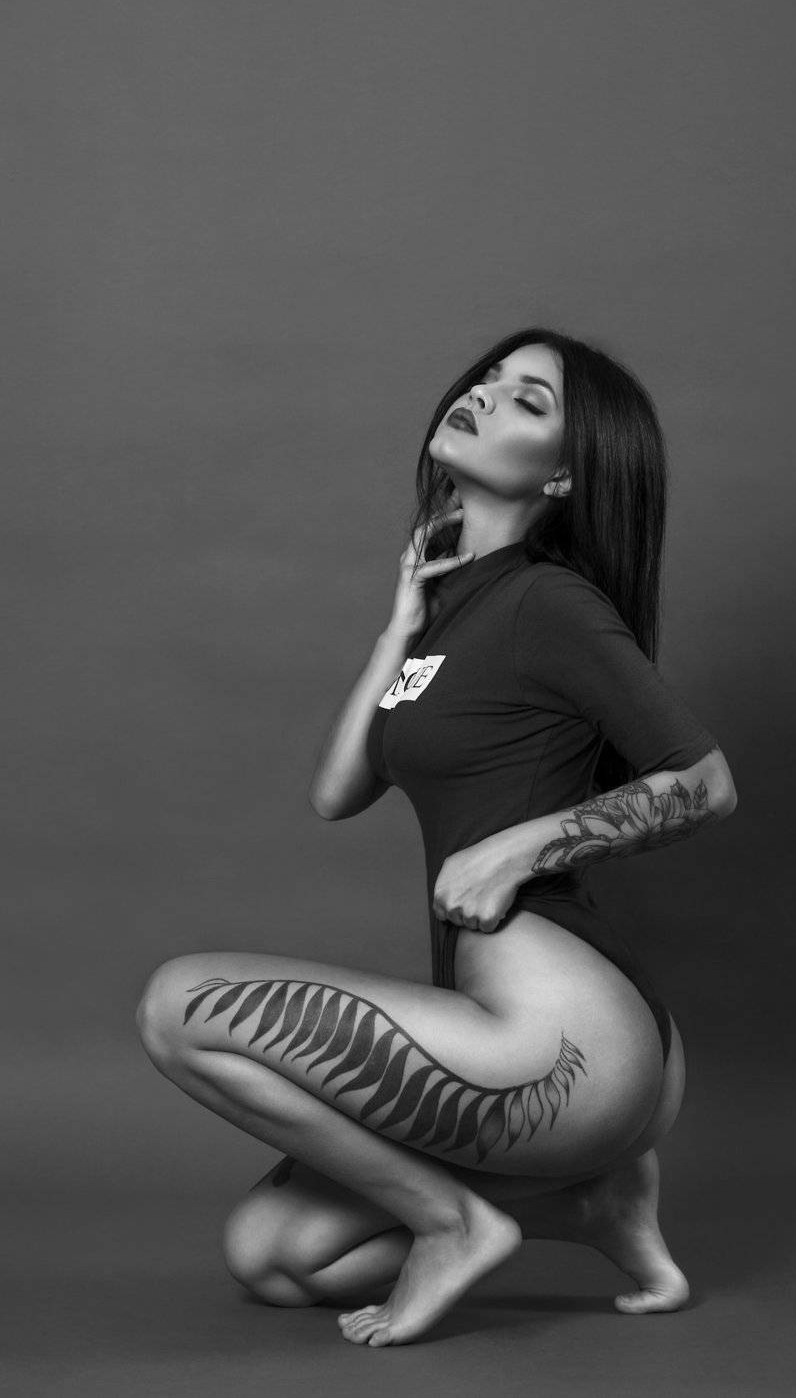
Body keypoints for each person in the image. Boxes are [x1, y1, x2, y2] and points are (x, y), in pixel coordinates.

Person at [136, 326, 737, 1348]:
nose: (485, 394)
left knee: (176, 1005)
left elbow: (705, 782)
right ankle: (587, 1206)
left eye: (529, 401)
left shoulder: (548, 601)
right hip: (514, 1044)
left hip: (568, 1039)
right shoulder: (456, 606)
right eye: (489, 379)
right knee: (273, 1255)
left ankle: (454, 1222)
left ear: (562, 476)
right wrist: (399, 625)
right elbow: (338, 792)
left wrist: (522, 847)